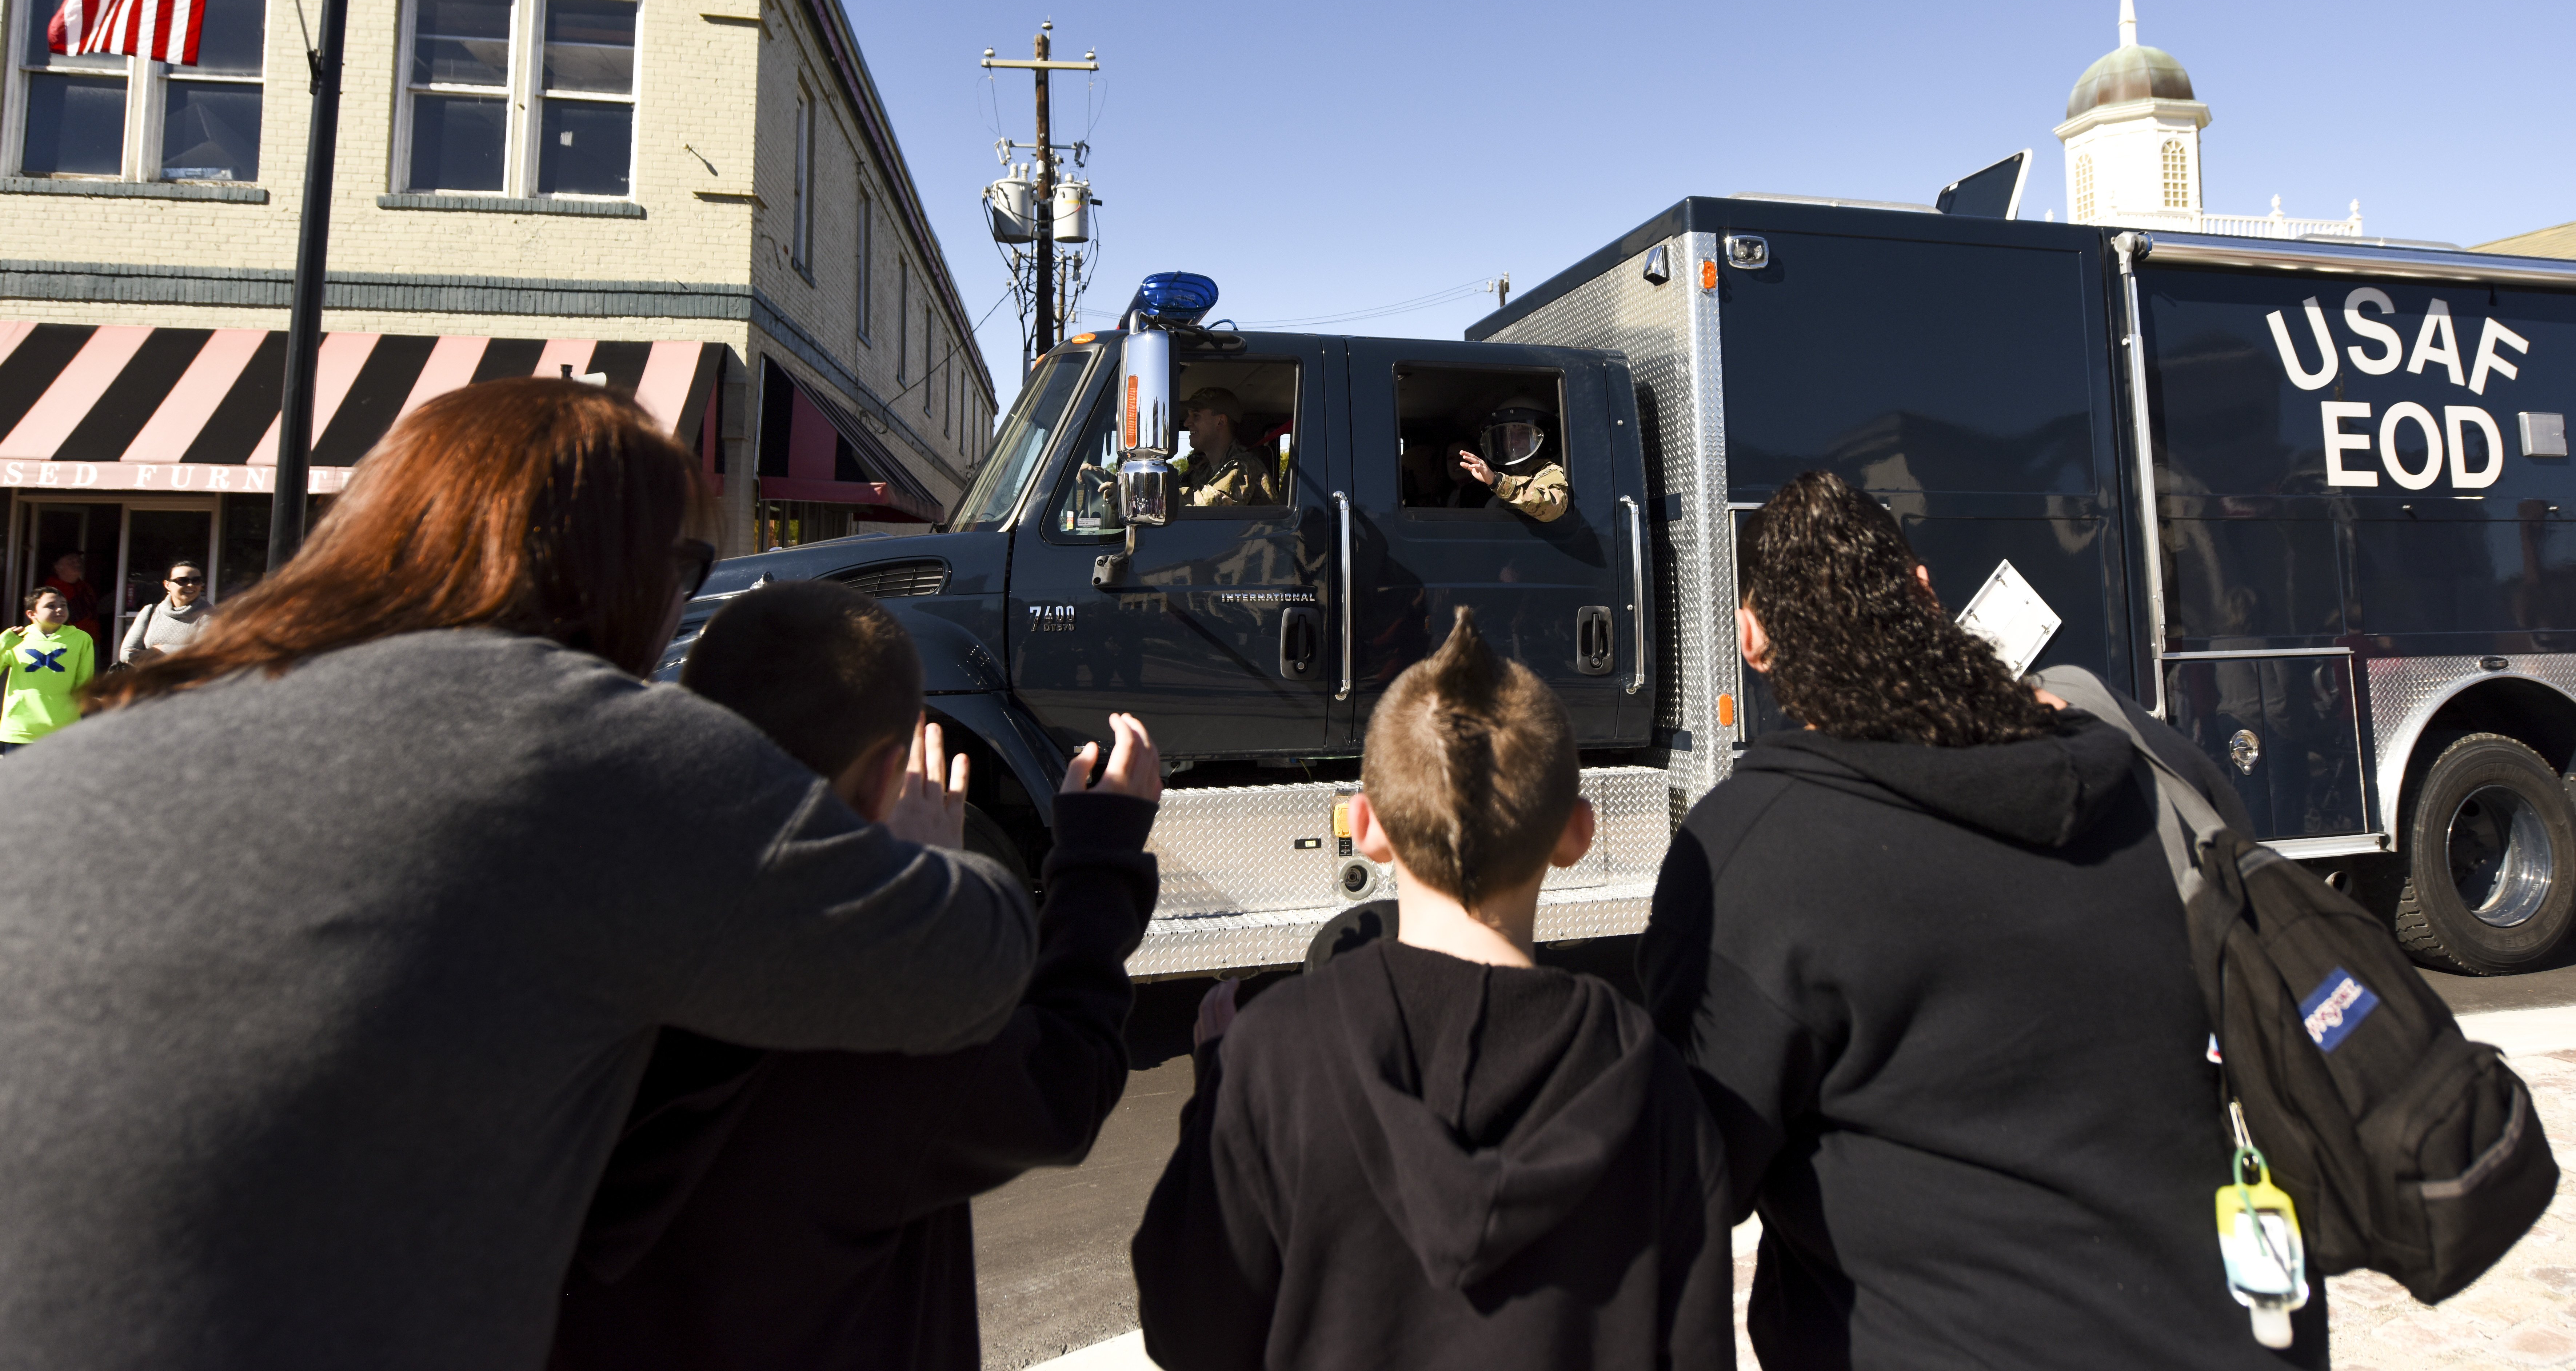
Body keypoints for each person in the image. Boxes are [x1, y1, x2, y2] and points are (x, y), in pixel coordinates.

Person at [0, 379, 1037, 1371]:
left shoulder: (132, 722)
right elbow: (972, 963)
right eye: (682, 563)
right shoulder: (603, 752)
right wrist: (922, 851)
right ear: (620, 572)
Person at [1634, 470, 2327, 1368]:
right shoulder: (2143, 759)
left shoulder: (1749, 852)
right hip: (2228, 1334)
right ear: (1924, 594)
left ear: (1752, 638)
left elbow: (1685, 1171)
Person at [551, 582, 1162, 1371]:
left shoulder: (583, 945)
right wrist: (1076, 866)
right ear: (886, 777)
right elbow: (1062, 1081)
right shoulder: (875, 1021)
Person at [1132, 606, 1734, 1371]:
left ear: (1365, 824)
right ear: (1577, 833)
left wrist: (1215, 1087)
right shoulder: (1656, 1088)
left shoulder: (1272, 1057)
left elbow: (1187, 1331)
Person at [1, 584, 95, 752]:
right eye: (51, 606)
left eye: (63, 605)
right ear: (32, 614)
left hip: (63, 727)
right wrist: (3, 643)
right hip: (20, 728)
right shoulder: (15, 639)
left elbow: (85, 683)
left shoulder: (81, 639)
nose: (59, 610)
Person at [1456, 394, 1567, 522]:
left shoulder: (1550, 472)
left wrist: (1498, 482)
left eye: (1523, 434)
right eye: (1508, 435)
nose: (1514, 441)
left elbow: (1552, 507)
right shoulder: (1494, 496)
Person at [1177, 386, 1276, 508]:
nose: (1187, 423)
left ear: (1221, 422)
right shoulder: (1208, 470)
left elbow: (1203, 507)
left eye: (1196, 415)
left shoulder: (1241, 465)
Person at [115, 560, 211, 665]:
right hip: (150, 679)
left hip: (192, 681)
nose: (191, 585)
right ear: (167, 585)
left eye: (196, 581)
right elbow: (126, 654)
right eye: (182, 581)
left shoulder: (212, 615)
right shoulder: (150, 611)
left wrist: (159, 649)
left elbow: (202, 652)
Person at [48, 550, 103, 644]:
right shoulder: (50, 592)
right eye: (71, 561)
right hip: (64, 643)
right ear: (57, 567)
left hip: (91, 641)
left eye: (78, 560)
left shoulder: (86, 588)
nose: (77, 563)